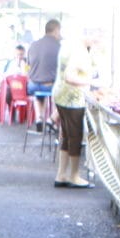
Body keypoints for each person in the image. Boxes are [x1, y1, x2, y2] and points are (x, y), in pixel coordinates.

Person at [50, 35, 96, 188]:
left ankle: (61, 174)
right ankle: (74, 175)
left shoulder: (68, 46)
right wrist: (90, 82)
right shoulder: (80, 52)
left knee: (67, 135)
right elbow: (69, 76)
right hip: (73, 98)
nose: (96, 39)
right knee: (75, 137)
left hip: (60, 95)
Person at [26, 19, 61, 130]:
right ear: (56, 30)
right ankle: (52, 119)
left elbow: (28, 65)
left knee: (39, 95)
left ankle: (39, 118)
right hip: (49, 85)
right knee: (69, 97)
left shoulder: (33, 45)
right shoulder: (58, 46)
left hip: (32, 85)